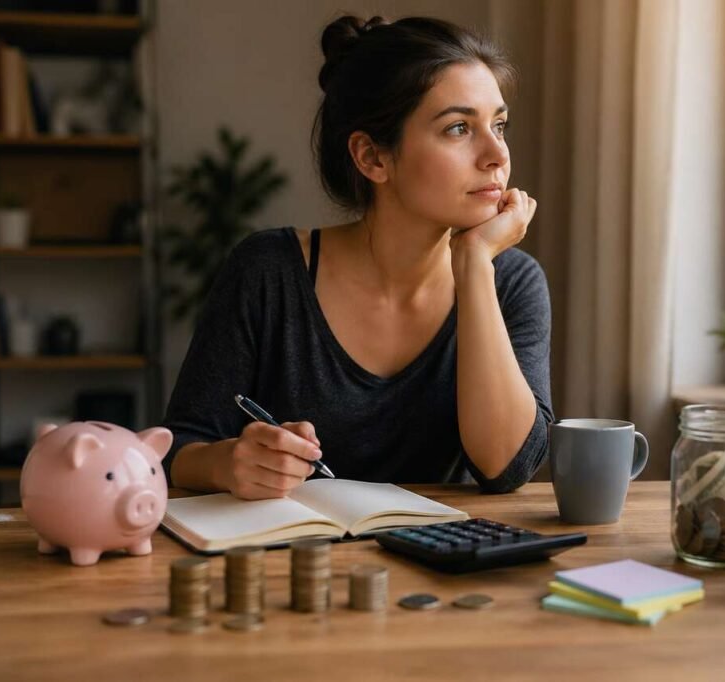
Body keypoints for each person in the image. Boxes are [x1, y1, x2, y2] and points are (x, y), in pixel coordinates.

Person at [161, 15, 552, 500]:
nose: (497, 154)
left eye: (498, 124)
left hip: (439, 569)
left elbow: (506, 467)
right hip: (290, 564)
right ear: (372, 158)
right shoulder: (268, 271)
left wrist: (474, 260)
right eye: (458, 128)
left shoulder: (511, 281)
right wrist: (228, 463)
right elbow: (177, 446)